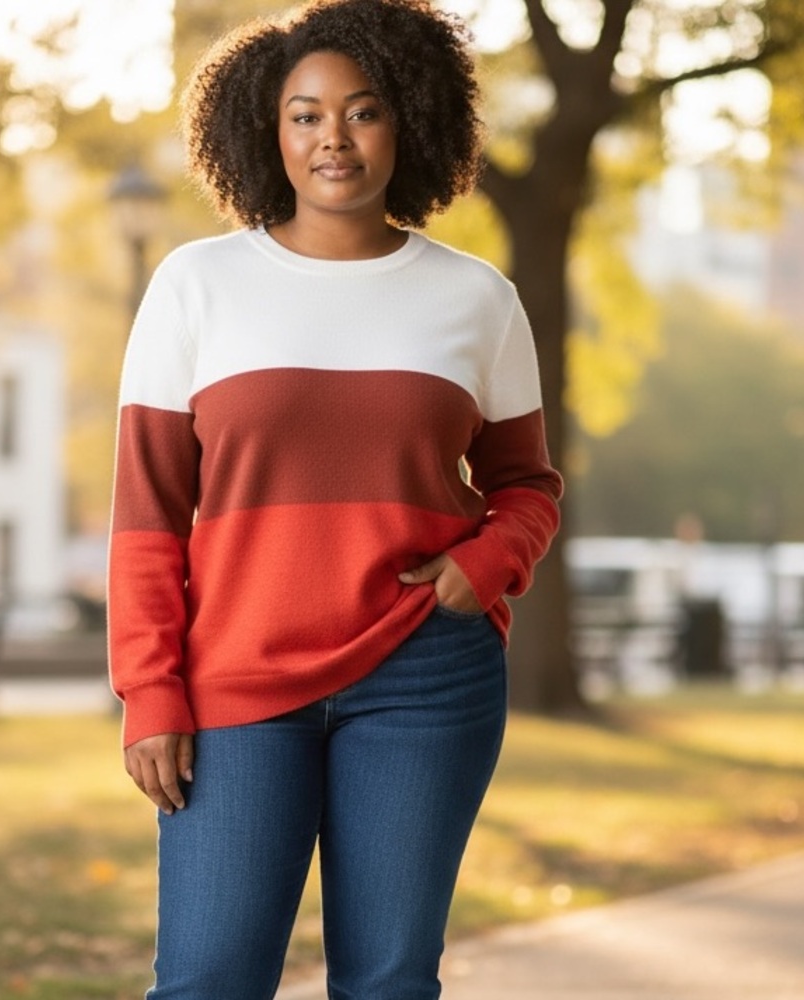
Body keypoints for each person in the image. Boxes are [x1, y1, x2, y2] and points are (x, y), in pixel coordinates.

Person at [107, 0, 563, 996]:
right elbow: (146, 516)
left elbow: (527, 484)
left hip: (424, 676)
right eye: (305, 114)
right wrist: (149, 689)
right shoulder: (197, 284)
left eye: (360, 112)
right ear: (267, 131)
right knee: (209, 978)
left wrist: (483, 565)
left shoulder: (475, 297)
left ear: (407, 119)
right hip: (236, 678)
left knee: (389, 982)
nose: (333, 139)